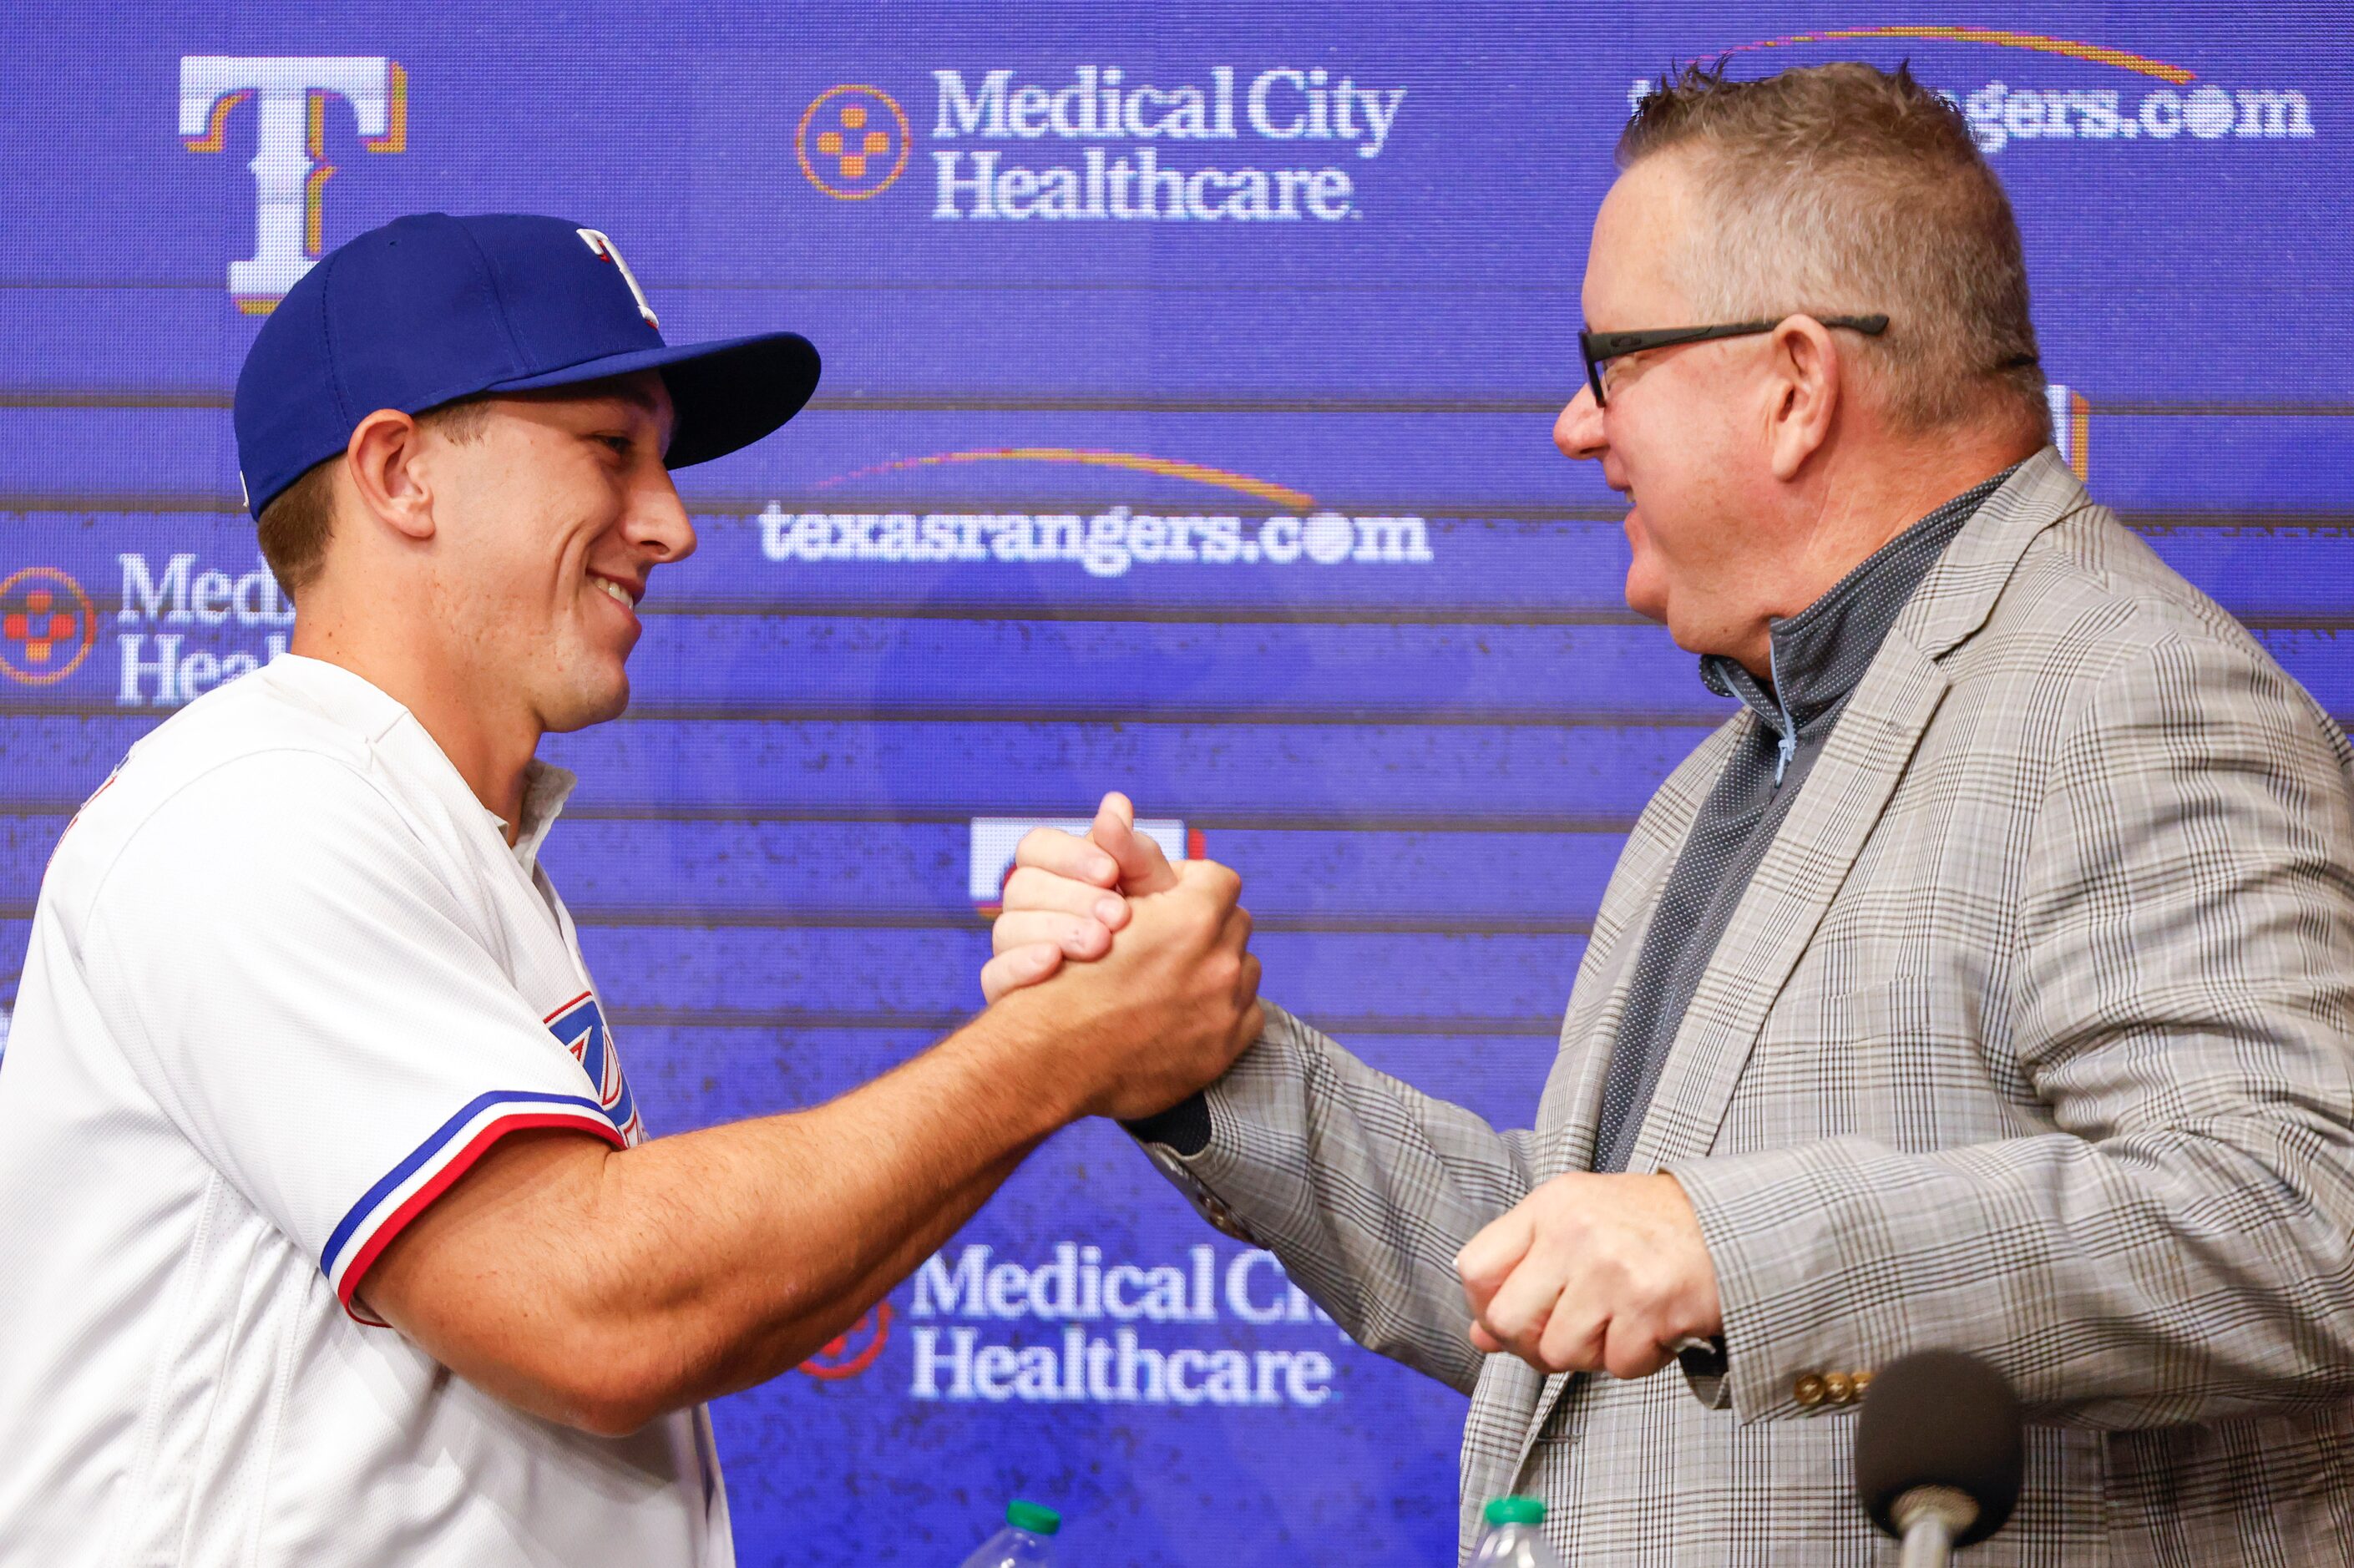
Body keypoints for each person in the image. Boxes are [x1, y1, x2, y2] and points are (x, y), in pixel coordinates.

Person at [992, 63, 2354, 1560]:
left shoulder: (2122, 694)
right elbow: (1578, 1275)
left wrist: (1726, 1245)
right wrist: (1207, 1068)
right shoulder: (1735, 767)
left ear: (1792, 384)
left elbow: (2299, 1219)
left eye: (1610, 360)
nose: (1577, 427)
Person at [0, 212, 1262, 1564]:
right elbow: (593, 1310)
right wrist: (1053, 1051)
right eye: (611, 449)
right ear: (398, 471)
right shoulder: (255, 814)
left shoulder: (430, 835)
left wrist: (1060, 1045)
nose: (670, 523)